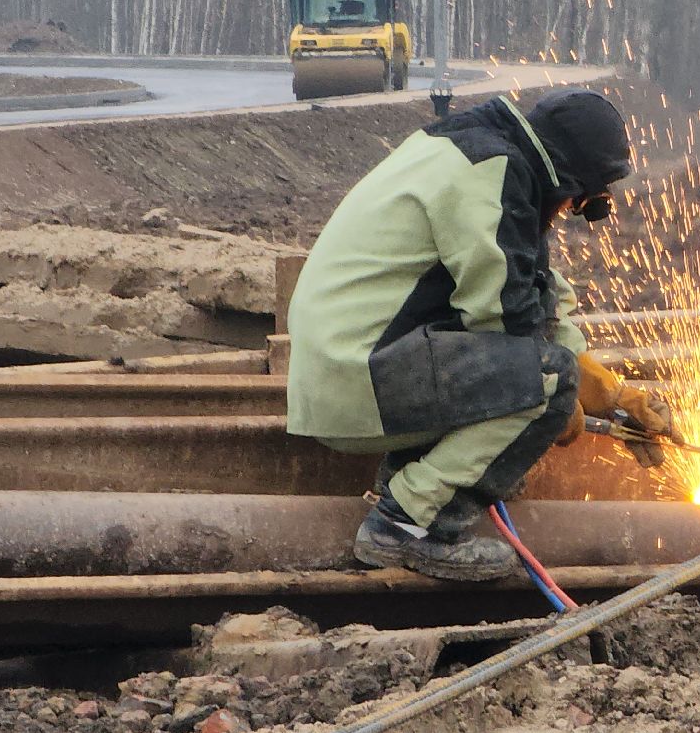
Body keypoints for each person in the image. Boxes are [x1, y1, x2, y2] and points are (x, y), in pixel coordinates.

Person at [286, 89, 676, 581]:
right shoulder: (490, 170)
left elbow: (538, 300)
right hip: (356, 380)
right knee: (546, 381)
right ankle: (411, 523)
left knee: (548, 375)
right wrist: (563, 402)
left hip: (348, 372)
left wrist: (613, 394)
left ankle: (413, 482)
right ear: (564, 175)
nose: (573, 209)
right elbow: (509, 326)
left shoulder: (484, 152)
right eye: (579, 199)